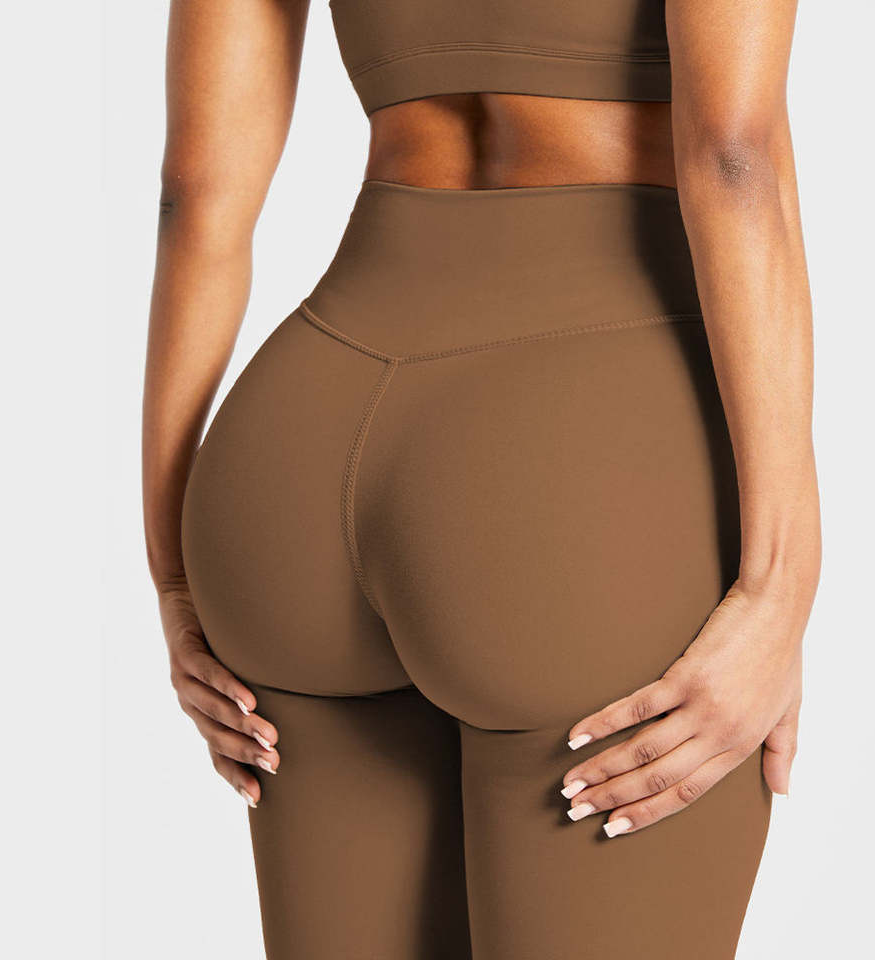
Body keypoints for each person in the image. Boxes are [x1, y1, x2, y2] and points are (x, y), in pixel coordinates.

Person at [142, 0, 820, 956]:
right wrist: (781, 583)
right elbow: (734, 154)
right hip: (578, 458)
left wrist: (175, 576)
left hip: (297, 439)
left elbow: (196, 193)